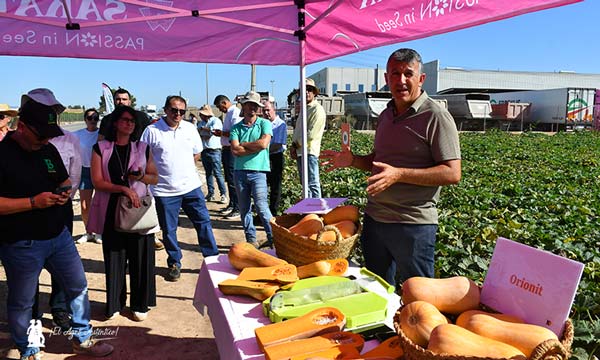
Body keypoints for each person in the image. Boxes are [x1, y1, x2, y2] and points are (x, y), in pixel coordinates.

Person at [321, 48, 461, 286]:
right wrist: (353, 160)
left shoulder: (435, 116)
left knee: (419, 297)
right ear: (386, 79)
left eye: (408, 73)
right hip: (376, 221)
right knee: (377, 292)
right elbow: (379, 162)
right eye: (395, 74)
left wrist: (400, 174)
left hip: (413, 224)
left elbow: (452, 172)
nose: (401, 80)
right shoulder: (386, 115)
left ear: (421, 78)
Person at [0, 88, 113, 359]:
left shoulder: (48, 148)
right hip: (21, 242)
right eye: (40, 135)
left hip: (58, 236)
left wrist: (63, 191)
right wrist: (32, 202)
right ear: (22, 126)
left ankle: (82, 338)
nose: (45, 141)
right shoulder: (3, 154)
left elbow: (64, 179)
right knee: (23, 301)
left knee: (78, 286)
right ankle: (28, 347)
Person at [87, 105, 159, 321]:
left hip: (138, 209)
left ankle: (140, 303)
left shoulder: (143, 147)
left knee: (141, 255)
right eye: (125, 119)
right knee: (114, 255)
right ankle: (115, 303)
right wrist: (123, 188)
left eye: (133, 121)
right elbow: (97, 182)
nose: (129, 123)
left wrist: (139, 178)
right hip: (111, 207)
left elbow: (154, 177)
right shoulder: (101, 148)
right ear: (116, 123)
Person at [141, 95, 219, 282]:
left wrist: (184, 168)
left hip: (191, 187)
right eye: (174, 110)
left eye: (182, 111)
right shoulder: (152, 131)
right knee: (169, 230)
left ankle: (212, 260)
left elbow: (197, 152)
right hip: (164, 191)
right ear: (165, 109)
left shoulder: (190, 129)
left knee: (203, 223)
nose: (178, 114)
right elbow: (142, 157)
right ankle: (174, 262)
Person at [98, 88, 163, 250]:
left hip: (140, 173)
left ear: (130, 101)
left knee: (143, 209)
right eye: (118, 99)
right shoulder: (107, 120)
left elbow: (150, 137)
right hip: (114, 174)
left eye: (124, 99)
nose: (121, 102)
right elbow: (100, 142)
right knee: (118, 224)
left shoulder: (141, 117)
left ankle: (150, 234)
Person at [230, 91, 274, 248]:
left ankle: (273, 238)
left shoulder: (264, 124)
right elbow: (235, 150)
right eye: (250, 105)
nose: (253, 108)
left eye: (255, 106)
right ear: (244, 106)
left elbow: (263, 144)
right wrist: (255, 144)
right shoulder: (236, 127)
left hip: (259, 172)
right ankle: (251, 239)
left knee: (262, 207)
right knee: (244, 209)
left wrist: (244, 144)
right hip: (239, 172)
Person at [290, 78, 326, 198]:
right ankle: (309, 210)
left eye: (309, 89)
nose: (306, 92)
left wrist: (295, 145)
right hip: (301, 151)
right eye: (304, 90)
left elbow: (310, 134)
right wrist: (294, 146)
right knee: (305, 184)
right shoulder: (304, 109)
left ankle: (316, 211)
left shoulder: (317, 109)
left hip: (309, 152)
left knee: (312, 183)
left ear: (314, 92)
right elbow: (299, 131)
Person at [73, 108, 102, 244]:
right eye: (90, 118)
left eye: (95, 118)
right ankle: (88, 232)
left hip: (100, 171)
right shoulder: (77, 134)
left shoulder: (102, 134)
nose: (92, 121)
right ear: (85, 119)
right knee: (85, 205)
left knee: (100, 204)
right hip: (84, 171)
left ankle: (99, 232)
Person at [213, 94, 242, 219]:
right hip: (226, 149)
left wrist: (221, 133)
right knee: (229, 179)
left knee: (232, 179)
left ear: (225, 102)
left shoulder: (235, 112)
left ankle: (237, 207)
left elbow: (236, 132)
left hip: (231, 150)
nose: (220, 110)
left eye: (220, 107)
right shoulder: (229, 113)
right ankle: (232, 204)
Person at [261, 99, 287, 215]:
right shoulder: (262, 123)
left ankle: (273, 212)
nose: (266, 113)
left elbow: (278, 144)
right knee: (263, 186)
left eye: (268, 110)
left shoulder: (280, 124)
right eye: (264, 110)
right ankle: (263, 212)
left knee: (275, 186)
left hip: (275, 157)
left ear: (274, 109)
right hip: (264, 157)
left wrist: (262, 148)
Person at [197, 104, 227, 204]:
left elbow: (212, 133)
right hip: (205, 150)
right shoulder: (201, 123)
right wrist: (205, 131)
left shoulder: (215, 121)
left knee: (218, 173)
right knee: (208, 173)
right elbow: (199, 134)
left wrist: (204, 130)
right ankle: (211, 193)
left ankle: (223, 194)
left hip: (214, 150)